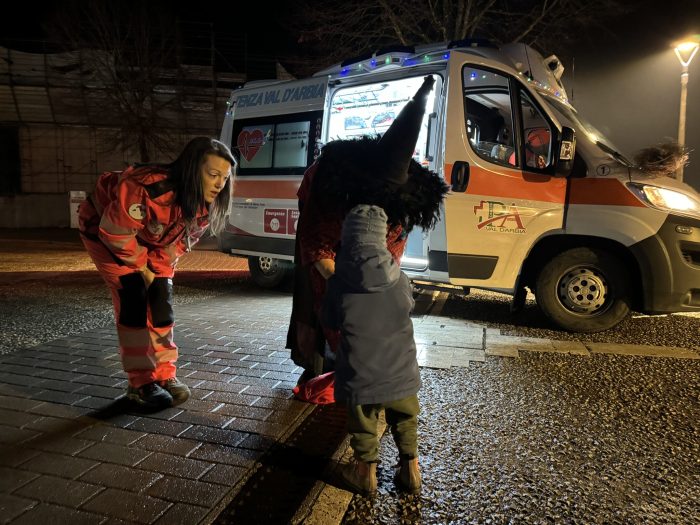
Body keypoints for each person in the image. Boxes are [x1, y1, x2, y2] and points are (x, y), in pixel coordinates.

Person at [286, 75, 448, 384]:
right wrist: (346, 288)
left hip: (363, 250)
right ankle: (318, 361)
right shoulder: (332, 183)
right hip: (325, 239)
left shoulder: (409, 200)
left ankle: (354, 367)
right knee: (323, 301)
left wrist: (374, 288)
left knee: (364, 313)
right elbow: (318, 245)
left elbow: (390, 257)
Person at [78, 137, 235, 411]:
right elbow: (115, 232)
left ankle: (165, 376)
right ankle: (140, 384)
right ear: (191, 169)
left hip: (150, 241)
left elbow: (176, 245)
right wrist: (142, 269)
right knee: (134, 299)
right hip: (106, 232)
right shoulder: (147, 187)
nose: (220, 184)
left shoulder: (204, 204)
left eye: (225, 177)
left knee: (161, 302)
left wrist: (158, 277)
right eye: (213, 175)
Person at [321, 204, 422, 495]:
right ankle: (411, 470)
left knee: (363, 423)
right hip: (402, 373)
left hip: (361, 374)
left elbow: (329, 319)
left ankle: (365, 472)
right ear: (381, 239)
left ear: (348, 239)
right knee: (405, 418)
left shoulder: (340, 282)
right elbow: (408, 306)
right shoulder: (400, 280)